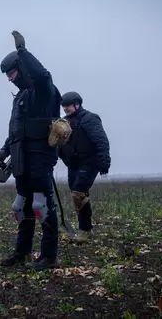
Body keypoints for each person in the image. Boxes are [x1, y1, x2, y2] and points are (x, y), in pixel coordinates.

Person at [0, 30, 63, 271]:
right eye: (7, 75)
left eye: (12, 73)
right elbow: (16, 132)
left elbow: (43, 75)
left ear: (22, 68)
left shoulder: (44, 92)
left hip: (40, 158)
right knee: (21, 207)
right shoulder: (19, 98)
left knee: (40, 206)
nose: (9, 78)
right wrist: (3, 152)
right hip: (21, 160)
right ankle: (21, 253)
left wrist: (23, 51)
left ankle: (49, 256)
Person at [58, 91, 111, 242]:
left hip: (90, 162)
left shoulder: (89, 118)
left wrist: (105, 160)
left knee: (78, 193)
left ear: (77, 104)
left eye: (68, 105)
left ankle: (85, 231)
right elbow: (59, 143)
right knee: (78, 196)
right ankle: (86, 230)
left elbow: (101, 140)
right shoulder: (63, 123)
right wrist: (61, 156)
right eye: (63, 106)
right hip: (73, 164)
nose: (65, 108)